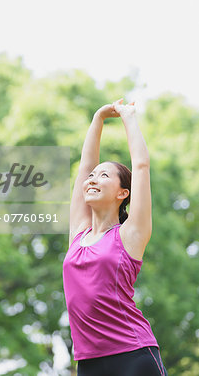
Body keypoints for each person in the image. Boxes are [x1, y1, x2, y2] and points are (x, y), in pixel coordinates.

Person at [62, 99, 168, 376]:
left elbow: (142, 166)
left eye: (104, 175)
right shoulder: (78, 234)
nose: (93, 179)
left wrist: (128, 117)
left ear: (123, 193)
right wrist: (97, 119)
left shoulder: (130, 234)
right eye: (93, 177)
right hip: (88, 363)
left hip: (133, 355)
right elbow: (85, 167)